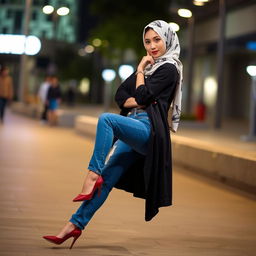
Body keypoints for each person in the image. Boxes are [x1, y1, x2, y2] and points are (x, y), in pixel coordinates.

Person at [43, 20, 183, 249]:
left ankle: (91, 174)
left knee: (106, 119)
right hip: (132, 125)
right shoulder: (151, 67)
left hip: (149, 130)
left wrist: (139, 73)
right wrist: (140, 95)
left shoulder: (168, 69)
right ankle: (73, 225)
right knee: (106, 180)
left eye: (157, 40)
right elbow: (121, 95)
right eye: (147, 41)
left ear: (167, 39)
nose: (152, 46)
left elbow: (143, 95)